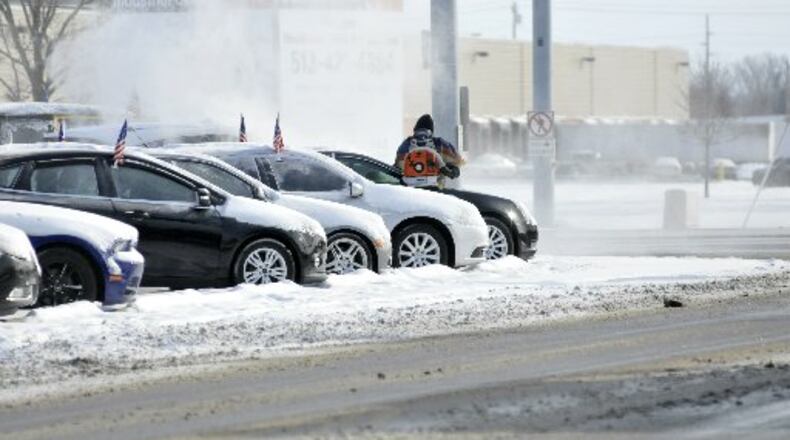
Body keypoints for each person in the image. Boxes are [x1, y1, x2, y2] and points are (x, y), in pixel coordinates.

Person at [395, 114, 464, 188]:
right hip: (436, 190)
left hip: (410, 189)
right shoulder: (440, 143)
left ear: (415, 129)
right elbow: (458, 161)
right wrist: (449, 169)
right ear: (432, 130)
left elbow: (398, 166)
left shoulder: (406, 144)